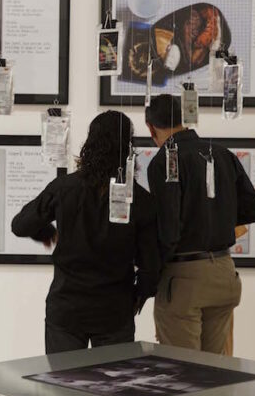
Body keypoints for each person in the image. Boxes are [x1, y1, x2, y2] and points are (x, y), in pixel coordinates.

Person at [12, 111, 162, 354]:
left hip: (67, 307)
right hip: (114, 310)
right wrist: (139, 297)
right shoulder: (141, 200)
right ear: (128, 147)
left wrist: (47, 231)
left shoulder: (64, 188)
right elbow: (150, 266)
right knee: (113, 389)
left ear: (89, 143)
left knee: (63, 387)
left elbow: (20, 225)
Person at [145, 94, 255, 355]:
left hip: (184, 277)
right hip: (224, 273)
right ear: (185, 119)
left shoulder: (163, 161)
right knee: (217, 372)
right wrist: (215, 218)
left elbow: (168, 229)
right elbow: (254, 210)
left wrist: (150, 275)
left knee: (183, 374)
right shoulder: (222, 154)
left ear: (150, 128)